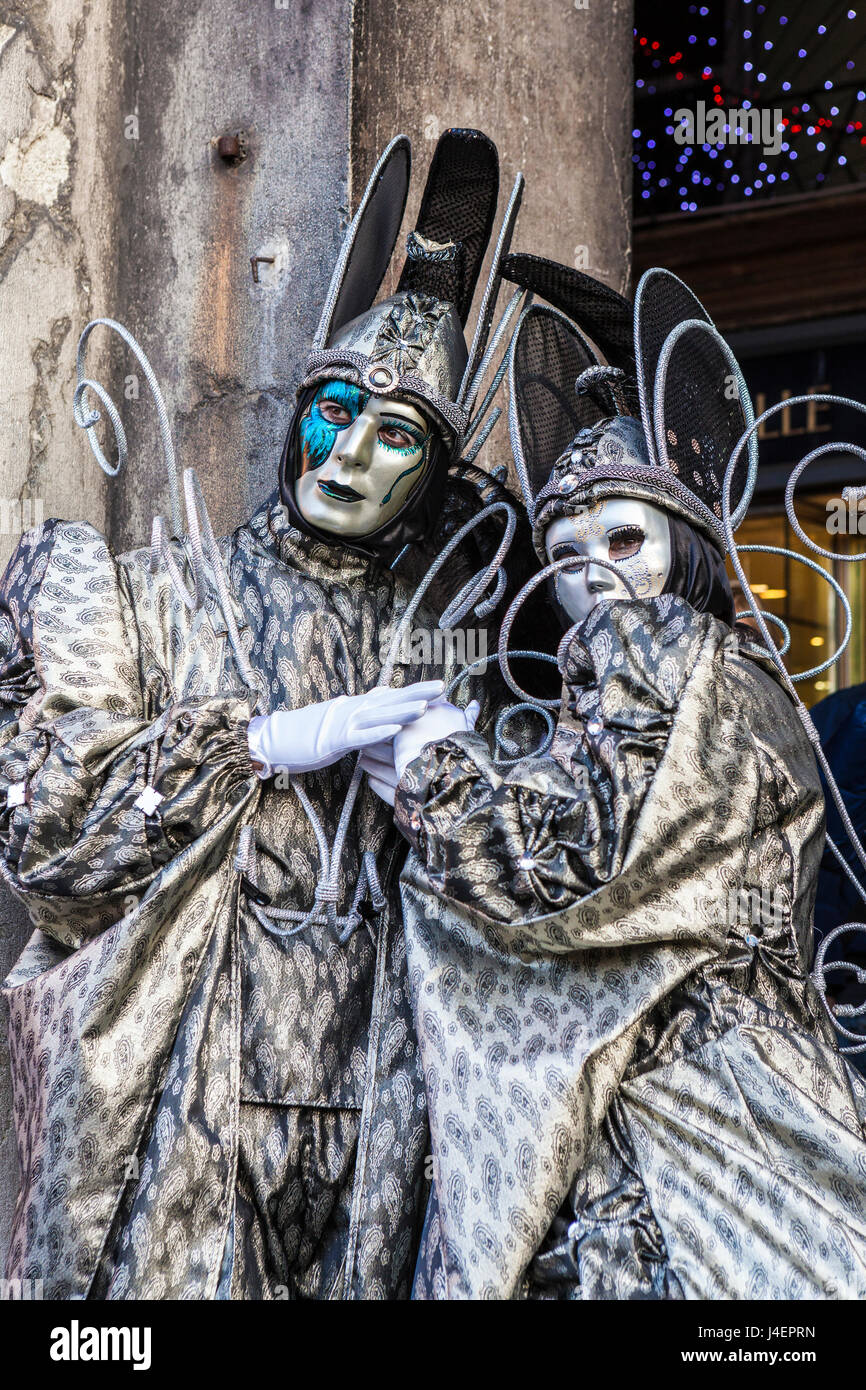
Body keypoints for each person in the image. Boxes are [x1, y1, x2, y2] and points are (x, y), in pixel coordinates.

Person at [0, 129, 517, 1299]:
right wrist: (247, 743)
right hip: (187, 1086)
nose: (346, 452)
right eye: (334, 408)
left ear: (430, 474)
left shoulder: (450, 640)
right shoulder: (159, 598)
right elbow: (50, 842)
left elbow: (531, 901)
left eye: (395, 436)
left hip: (386, 1101)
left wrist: (453, 797)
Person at [368, 265, 866, 1299]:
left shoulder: (657, 649)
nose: (590, 574)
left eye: (623, 540)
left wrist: (428, 765)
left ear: (685, 542)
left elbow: (561, 868)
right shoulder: (745, 679)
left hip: (671, 1111)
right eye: (561, 554)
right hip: (772, 1099)